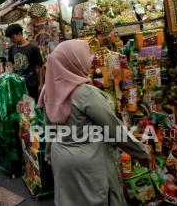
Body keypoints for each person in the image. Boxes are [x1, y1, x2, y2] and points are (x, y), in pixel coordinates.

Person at [38, 40, 150, 206]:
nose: (89, 59)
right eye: (85, 56)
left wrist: (48, 152)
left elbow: (49, 126)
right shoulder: (85, 93)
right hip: (89, 163)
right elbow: (114, 130)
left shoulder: (51, 88)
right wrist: (142, 153)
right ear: (74, 61)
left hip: (61, 159)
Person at [5, 24, 44, 101]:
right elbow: (10, 65)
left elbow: (40, 67)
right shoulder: (12, 49)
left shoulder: (33, 48)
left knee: (33, 107)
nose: (11, 40)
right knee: (23, 109)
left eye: (12, 37)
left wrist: (41, 84)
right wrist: (9, 79)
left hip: (31, 84)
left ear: (19, 34)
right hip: (18, 84)